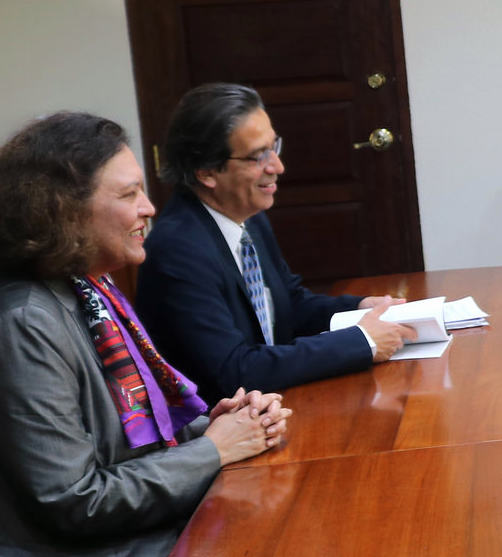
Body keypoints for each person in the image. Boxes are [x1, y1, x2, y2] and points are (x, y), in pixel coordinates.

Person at [0, 112, 292, 557]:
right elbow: (73, 502)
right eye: (129, 196)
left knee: (278, 536)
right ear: (63, 212)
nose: (150, 209)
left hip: (106, 545)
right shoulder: (21, 324)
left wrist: (212, 429)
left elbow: (121, 439)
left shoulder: (86, 289)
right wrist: (213, 451)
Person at [136, 82, 413, 404]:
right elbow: (234, 372)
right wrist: (362, 341)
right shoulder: (177, 250)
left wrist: (360, 308)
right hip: (222, 425)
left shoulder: (247, 214)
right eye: (257, 158)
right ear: (207, 172)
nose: (277, 167)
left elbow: (289, 306)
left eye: (273, 147)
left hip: (275, 402)